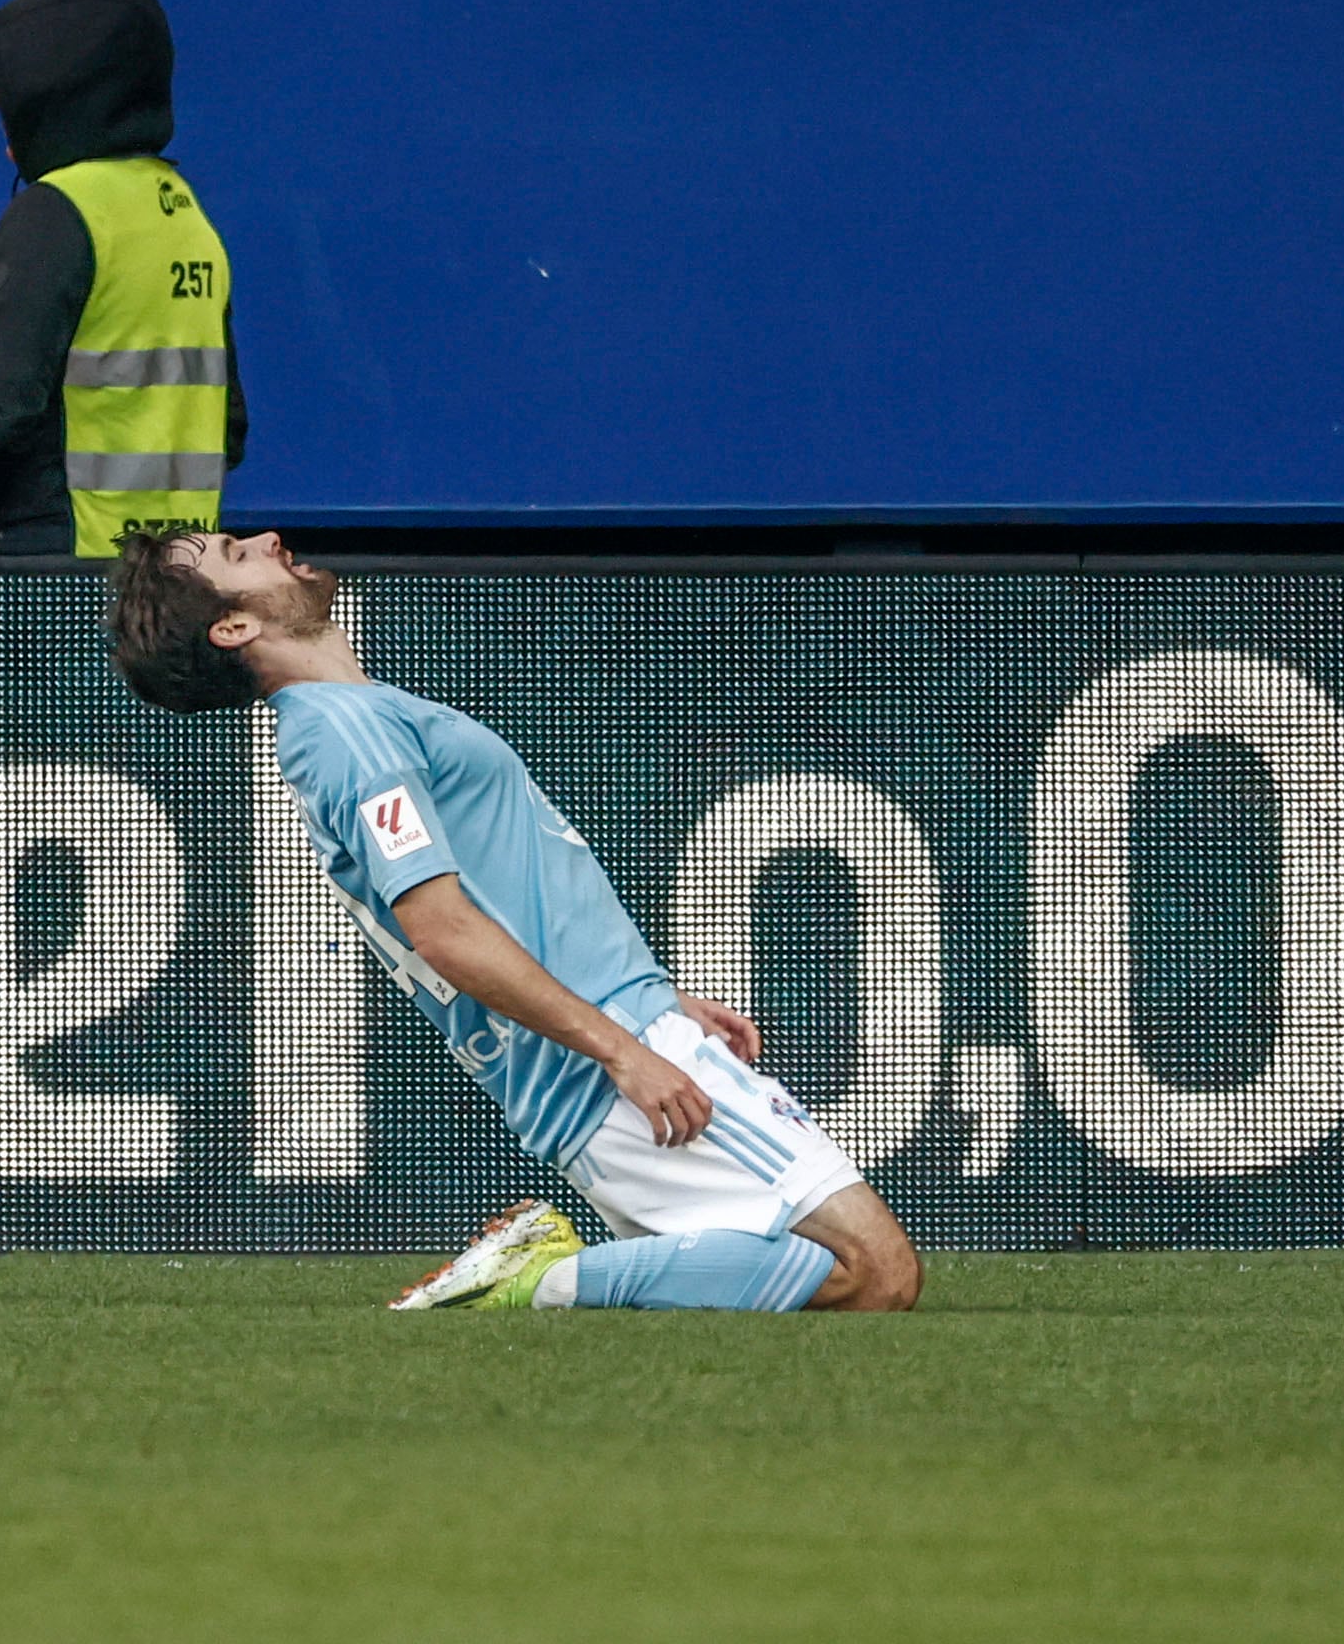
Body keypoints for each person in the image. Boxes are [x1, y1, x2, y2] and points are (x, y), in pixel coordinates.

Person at [106, 528, 922, 1314]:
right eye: (235, 555)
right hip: (603, 1065)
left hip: (608, 1047)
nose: (269, 540)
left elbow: (518, 890)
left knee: (772, 1295)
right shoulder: (343, 732)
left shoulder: (350, 719)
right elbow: (445, 932)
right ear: (234, 625)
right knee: (874, 1273)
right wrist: (624, 1045)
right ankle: (542, 1276)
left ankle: (556, 1278)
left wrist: (657, 1000)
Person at [0, 0, 247, 558]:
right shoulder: (184, 215)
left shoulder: (59, 213)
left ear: (59, 96)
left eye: (13, 104)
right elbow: (230, 426)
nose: (4, 125)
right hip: (169, 579)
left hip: (47, 571)